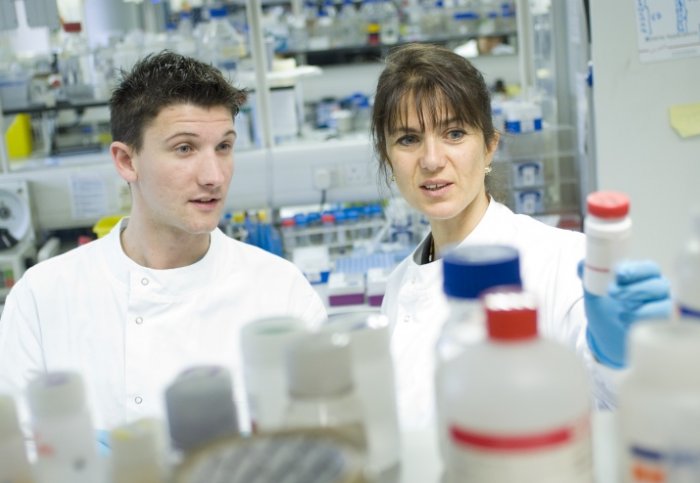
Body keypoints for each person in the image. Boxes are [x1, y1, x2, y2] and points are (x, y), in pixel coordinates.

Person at [0, 51, 327, 433]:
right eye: (184, 148)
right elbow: (16, 456)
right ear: (126, 161)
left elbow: (321, 448)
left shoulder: (280, 293)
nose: (214, 176)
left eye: (223, 146)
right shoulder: (43, 298)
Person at [370, 43, 671, 430]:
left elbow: (620, 410)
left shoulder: (563, 260)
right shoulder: (398, 286)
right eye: (408, 139)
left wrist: (619, 358)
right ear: (388, 157)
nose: (431, 160)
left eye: (455, 133)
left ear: (490, 146)